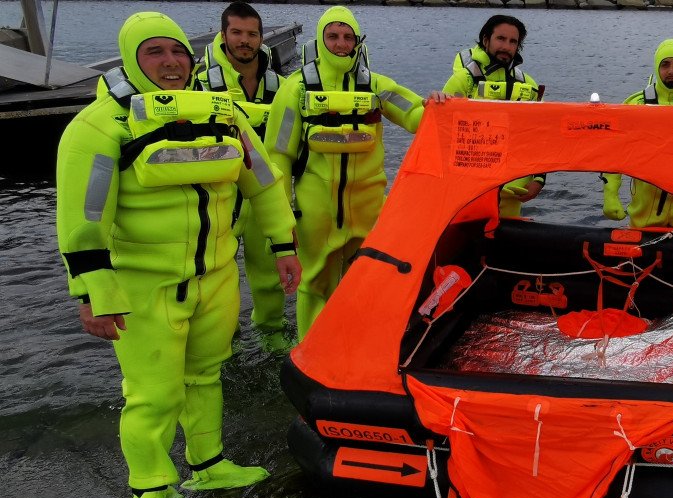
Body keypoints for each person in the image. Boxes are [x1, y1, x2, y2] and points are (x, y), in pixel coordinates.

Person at [55, 12, 301, 498]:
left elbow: (263, 182)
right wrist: (94, 291)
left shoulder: (225, 113)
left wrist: (283, 245)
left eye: (178, 52)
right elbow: (82, 217)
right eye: (154, 53)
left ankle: (209, 465)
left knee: (206, 374)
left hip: (216, 275)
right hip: (144, 285)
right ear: (130, 59)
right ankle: (149, 489)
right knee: (154, 394)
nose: (171, 63)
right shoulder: (100, 126)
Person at [264, 6, 428, 338]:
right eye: (333, 36)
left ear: (357, 41)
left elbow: (417, 117)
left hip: (368, 210)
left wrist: (440, 102)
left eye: (348, 37)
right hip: (316, 211)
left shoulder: (377, 85)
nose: (341, 44)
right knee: (313, 285)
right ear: (320, 39)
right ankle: (311, 354)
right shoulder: (295, 89)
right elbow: (278, 157)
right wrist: (282, 224)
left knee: (369, 280)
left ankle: (357, 350)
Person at [196, 1, 290, 352]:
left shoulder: (281, 86)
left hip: (265, 195)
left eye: (252, 34)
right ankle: (224, 341)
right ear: (223, 35)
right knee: (215, 276)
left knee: (269, 275)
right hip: (219, 197)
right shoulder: (200, 84)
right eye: (236, 32)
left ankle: (272, 333)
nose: (244, 40)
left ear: (262, 38)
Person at [443, 14, 545, 218]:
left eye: (513, 41)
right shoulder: (463, 80)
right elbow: (442, 131)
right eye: (501, 39)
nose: (506, 46)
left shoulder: (529, 86)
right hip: (468, 189)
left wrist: (539, 179)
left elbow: (540, 137)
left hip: (512, 189)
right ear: (485, 40)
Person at [601, 39, 673, 229]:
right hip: (645, 218)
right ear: (656, 67)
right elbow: (613, 151)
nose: (671, 71)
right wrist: (610, 194)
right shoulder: (636, 106)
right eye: (665, 64)